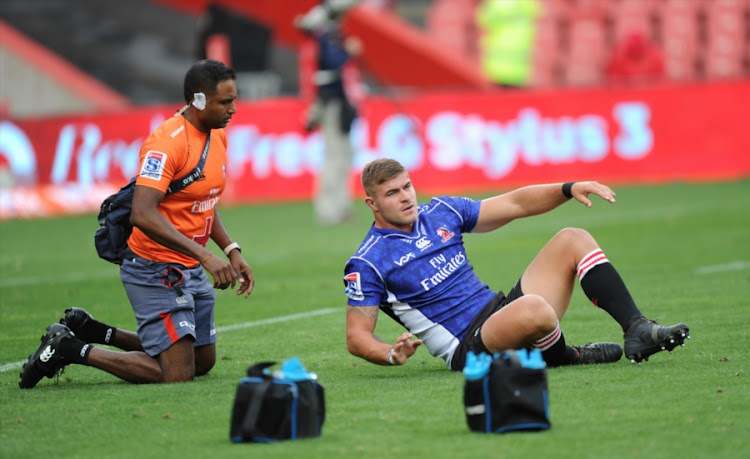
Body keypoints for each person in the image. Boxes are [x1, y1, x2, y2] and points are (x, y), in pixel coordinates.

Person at [19, 59, 255, 389]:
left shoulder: (217, 136)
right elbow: (142, 214)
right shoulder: (167, 142)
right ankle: (69, 348)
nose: (233, 109)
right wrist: (206, 257)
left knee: (202, 361)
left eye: (234, 99)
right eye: (225, 102)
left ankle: (96, 331)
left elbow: (203, 201)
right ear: (198, 100)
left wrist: (230, 249)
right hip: (154, 267)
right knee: (177, 372)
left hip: (188, 264)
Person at [344, 158, 689, 370]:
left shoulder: (440, 212)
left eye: (407, 186)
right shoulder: (368, 261)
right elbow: (357, 336)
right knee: (535, 310)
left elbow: (515, 203)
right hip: (470, 346)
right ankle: (565, 356)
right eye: (393, 193)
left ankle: (638, 330)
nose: (406, 197)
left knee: (573, 238)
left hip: (504, 311)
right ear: (372, 203)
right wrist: (389, 353)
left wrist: (568, 188)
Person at [295, 0, 362, 225]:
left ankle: (340, 206)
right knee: (335, 156)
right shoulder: (327, 35)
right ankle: (328, 209)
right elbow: (333, 63)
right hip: (331, 101)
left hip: (338, 101)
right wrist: (348, 52)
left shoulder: (328, 34)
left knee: (343, 156)